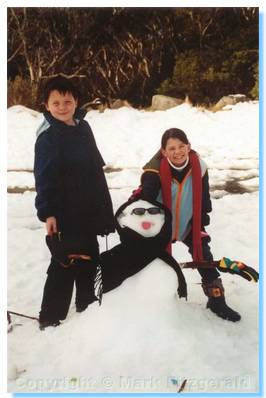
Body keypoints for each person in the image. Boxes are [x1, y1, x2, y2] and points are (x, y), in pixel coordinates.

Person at [34, 76, 115, 330]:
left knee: (89, 253)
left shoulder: (83, 127)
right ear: (46, 105)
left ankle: (87, 302)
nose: (62, 106)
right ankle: (50, 315)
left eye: (67, 101)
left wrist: (103, 206)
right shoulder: (48, 137)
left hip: (88, 205)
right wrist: (48, 212)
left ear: (76, 101)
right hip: (64, 208)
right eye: (55, 102)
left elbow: (95, 167)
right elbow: (43, 176)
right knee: (64, 259)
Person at [138, 128, 241, 322]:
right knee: (154, 263)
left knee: (204, 255)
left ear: (189, 146)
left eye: (181, 146)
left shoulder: (199, 167)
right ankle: (157, 303)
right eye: (172, 148)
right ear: (164, 152)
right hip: (162, 227)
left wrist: (202, 220)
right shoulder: (154, 172)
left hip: (187, 224)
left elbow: (204, 196)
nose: (177, 152)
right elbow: (145, 202)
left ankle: (217, 301)